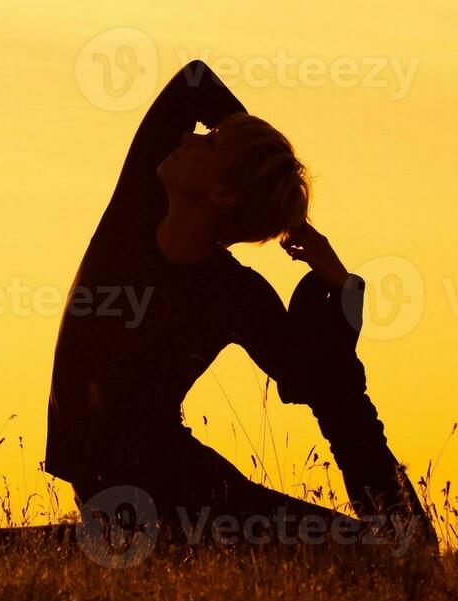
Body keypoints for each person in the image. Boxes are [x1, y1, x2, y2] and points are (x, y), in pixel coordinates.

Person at [45, 61, 434, 552]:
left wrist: (340, 288)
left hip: (185, 491)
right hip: (125, 494)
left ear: (224, 193)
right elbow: (193, 82)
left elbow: (328, 392)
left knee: (396, 550)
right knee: (122, 542)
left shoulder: (235, 294)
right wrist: (248, 146)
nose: (188, 139)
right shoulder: (137, 209)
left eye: (209, 143)